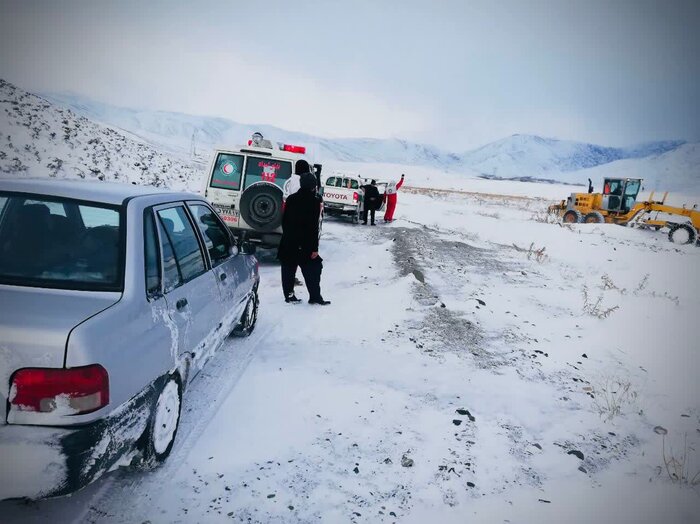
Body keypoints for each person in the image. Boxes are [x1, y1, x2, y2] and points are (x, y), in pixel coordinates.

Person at [277, 159, 330, 305]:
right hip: (305, 244)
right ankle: (315, 297)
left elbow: (285, 220)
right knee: (313, 269)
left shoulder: (291, 199)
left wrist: (288, 236)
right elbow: (313, 227)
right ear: (313, 186)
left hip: (289, 241)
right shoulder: (314, 202)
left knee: (288, 269)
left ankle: (289, 295)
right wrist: (314, 248)